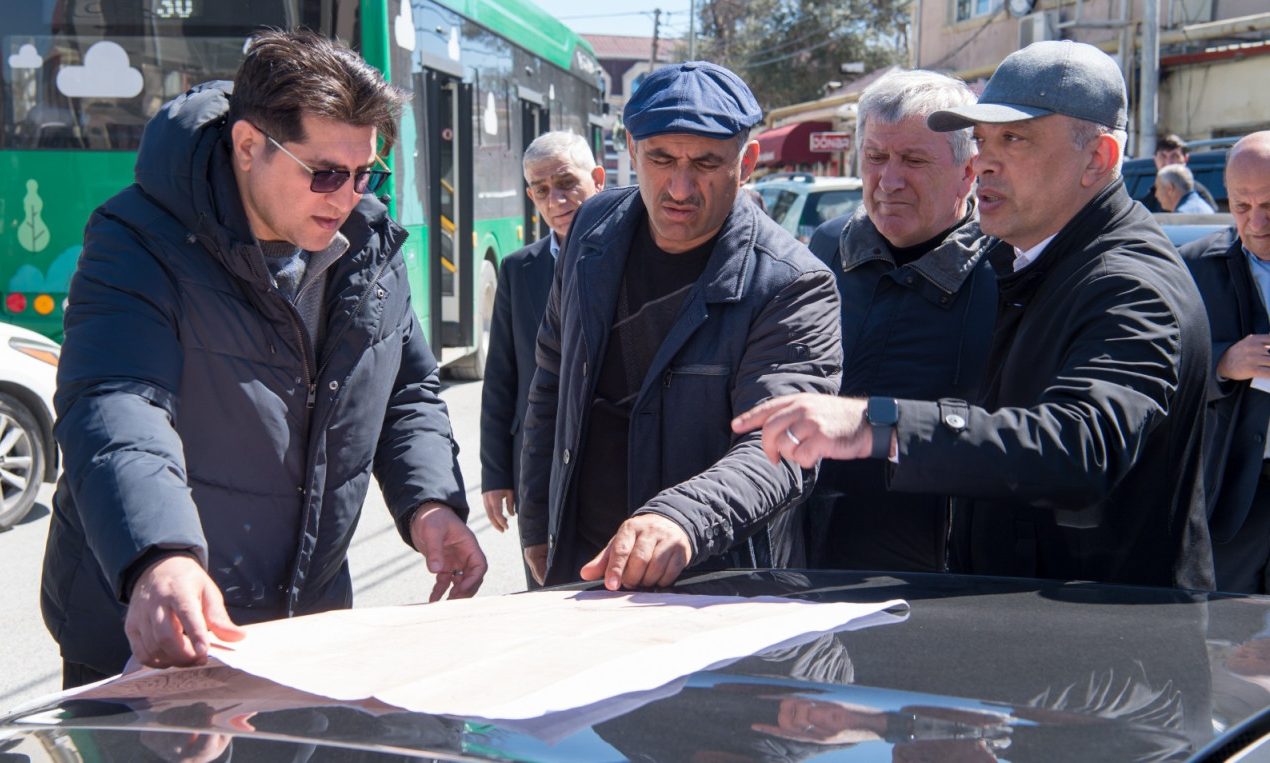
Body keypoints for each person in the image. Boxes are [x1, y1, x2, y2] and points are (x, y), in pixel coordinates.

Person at [41, 29, 487, 686]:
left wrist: (429, 501)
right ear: (249, 146)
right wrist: (159, 555)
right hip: (157, 620)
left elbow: (404, 387)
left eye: (367, 173)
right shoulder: (139, 238)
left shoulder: (370, 243)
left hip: (305, 623)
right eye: (326, 173)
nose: (349, 196)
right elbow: (117, 402)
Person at [734, 39, 1215, 591]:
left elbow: (1081, 446)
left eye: (1014, 138)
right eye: (982, 138)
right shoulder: (1040, 258)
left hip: (1111, 648)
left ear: (1098, 159)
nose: (984, 160)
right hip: (1034, 629)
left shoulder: (1126, 281)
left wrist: (875, 423)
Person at [518, 61, 842, 589]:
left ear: (748, 162)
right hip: (581, 566)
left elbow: (782, 446)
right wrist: (537, 521)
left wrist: (680, 518)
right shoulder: (590, 231)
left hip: (714, 586)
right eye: (662, 159)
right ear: (630, 149)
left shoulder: (794, 283)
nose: (680, 187)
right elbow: (552, 380)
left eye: (707, 163)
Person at [804, 69, 995, 573]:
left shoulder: (1006, 269)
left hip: (944, 571)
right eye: (876, 157)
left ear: (968, 170)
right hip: (813, 554)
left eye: (914, 160)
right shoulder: (824, 248)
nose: (889, 180)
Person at [480, 131, 604, 587]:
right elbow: (501, 378)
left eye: (567, 183)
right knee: (547, 595)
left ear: (598, 180)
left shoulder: (632, 256)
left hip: (609, 465)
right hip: (539, 470)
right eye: (541, 190)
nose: (556, 200)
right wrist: (496, 473)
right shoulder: (518, 269)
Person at [1180, 131, 1270, 594]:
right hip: (1229, 496)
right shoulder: (1191, 268)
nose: (1257, 222)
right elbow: (1156, 372)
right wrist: (1223, 363)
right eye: (1241, 206)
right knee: (1227, 637)